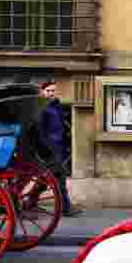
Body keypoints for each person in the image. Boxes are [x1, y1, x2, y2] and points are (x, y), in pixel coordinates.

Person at [36, 82, 81, 217]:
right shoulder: (41, 108)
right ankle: (65, 207)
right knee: (59, 177)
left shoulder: (56, 106)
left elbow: (61, 126)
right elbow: (40, 131)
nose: (51, 93)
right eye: (48, 91)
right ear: (42, 92)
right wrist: (46, 148)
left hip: (58, 147)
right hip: (49, 148)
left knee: (48, 178)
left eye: (53, 91)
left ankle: (30, 202)